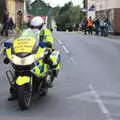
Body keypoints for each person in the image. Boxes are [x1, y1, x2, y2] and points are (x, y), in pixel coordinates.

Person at [7, 16, 60, 101]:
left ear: (41, 26)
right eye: (33, 26)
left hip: (42, 50)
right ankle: (14, 91)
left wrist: (47, 43)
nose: (35, 28)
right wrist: (13, 46)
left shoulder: (46, 32)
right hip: (30, 50)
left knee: (47, 61)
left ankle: (46, 80)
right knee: (17, 67)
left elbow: (50, 41)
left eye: (37, 27)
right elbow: (20, 40)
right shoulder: (26, 32)